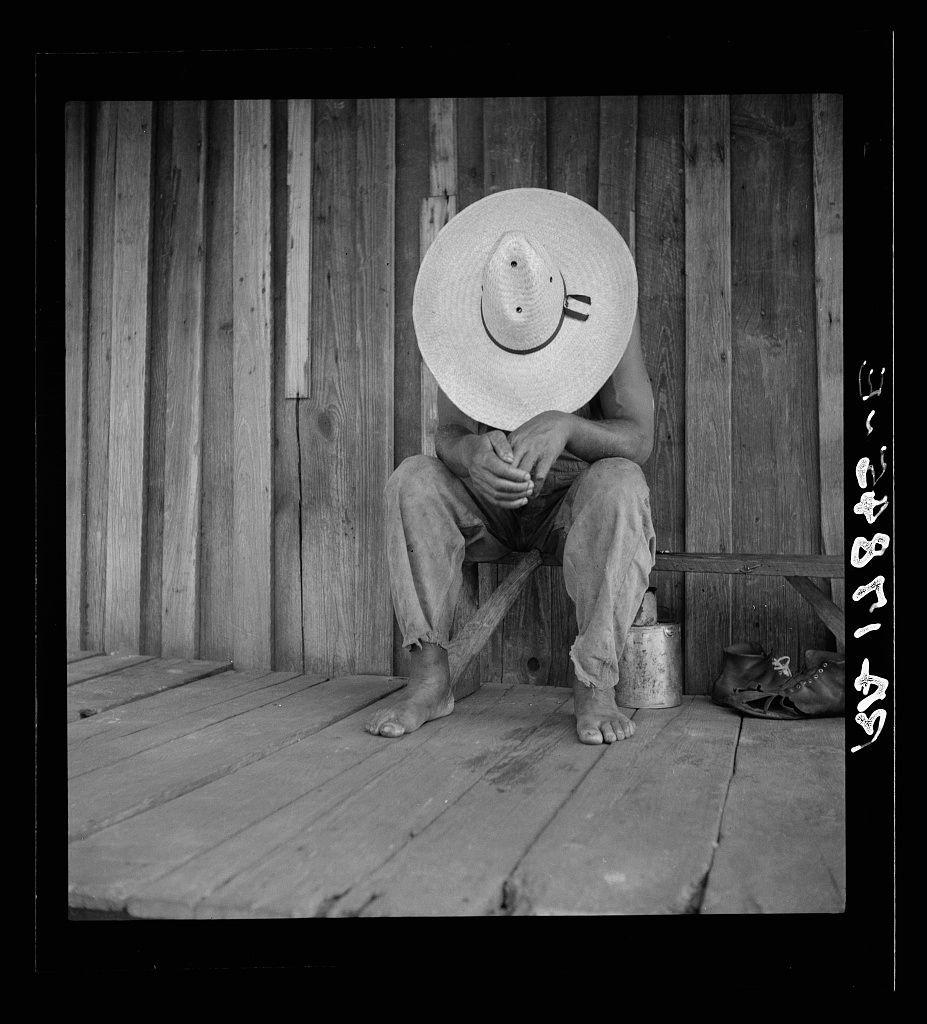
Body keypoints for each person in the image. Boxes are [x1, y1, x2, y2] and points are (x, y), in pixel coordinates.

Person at [365, 187, 657, 745]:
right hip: (490, 506)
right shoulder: (467, 319)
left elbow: (638, 439)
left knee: (623, 482)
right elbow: (447, 435)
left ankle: (595, 684)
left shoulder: (608, 316)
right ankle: (429, 680)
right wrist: (471, 455)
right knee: (413, 480)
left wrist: (567, 426)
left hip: (573, 511)